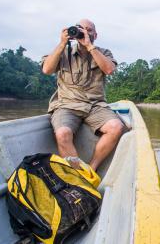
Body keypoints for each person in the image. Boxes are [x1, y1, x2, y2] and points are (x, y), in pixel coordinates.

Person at [41, 18, 124, 171]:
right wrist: (61, 43)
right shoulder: (63, 52)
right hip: (67, 104)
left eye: (89, 30)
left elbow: (109, 70)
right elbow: (46, 70)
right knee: (62, 133)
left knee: (116, 127)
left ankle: (92, 169)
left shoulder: (103, 52)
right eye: (80, 28)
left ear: (95, 35)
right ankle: (77, 175)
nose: (84, 32)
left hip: (95, 105)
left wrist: (90, 46)